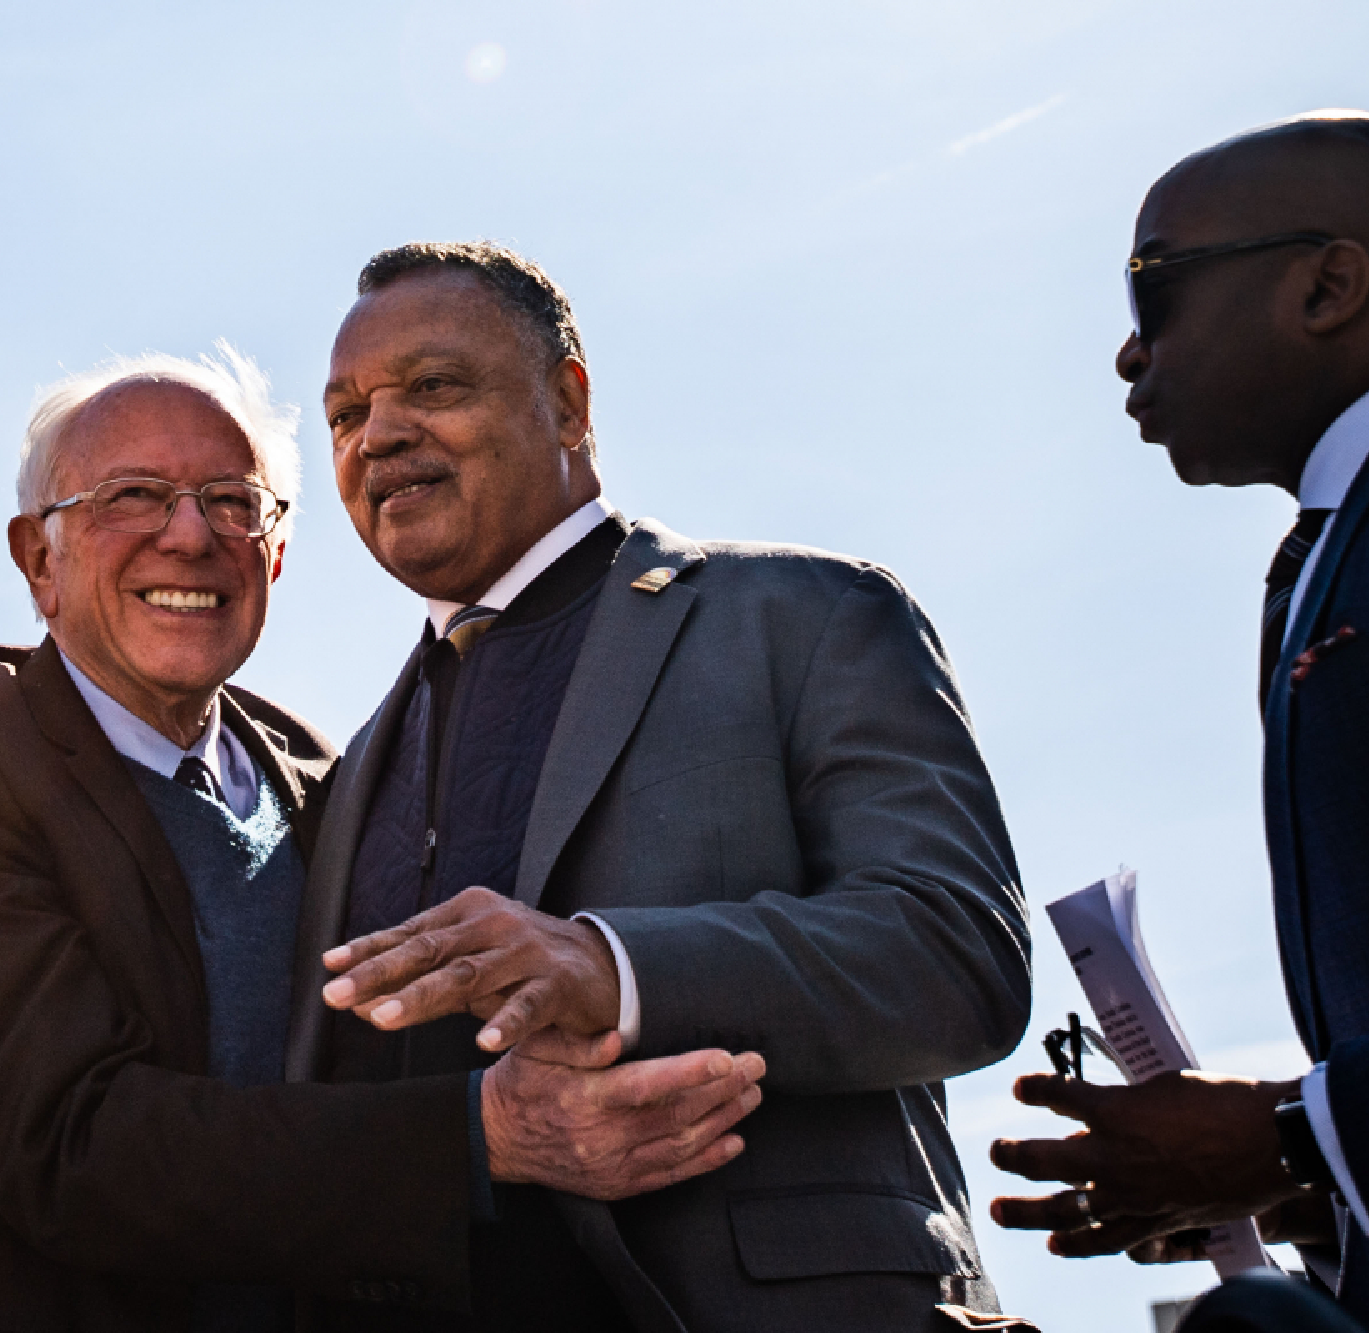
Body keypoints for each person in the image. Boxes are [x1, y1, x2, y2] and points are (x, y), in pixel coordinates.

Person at [0, 348, 762, 1332]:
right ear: (40, 559)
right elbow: (68, 1142)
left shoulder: (326, 776)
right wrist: (480, 1132)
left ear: (275, 553)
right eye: (131, 495)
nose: (189, 534)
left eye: (232, 500)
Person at [304, 241, 1033, 1331]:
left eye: (434, 386)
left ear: (566, 401)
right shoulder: (344, 769)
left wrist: (613, 966)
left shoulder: (808, 614)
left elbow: (956, 953)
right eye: (345, 413)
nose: (381, 433)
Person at [987, 112, 1369, 1330]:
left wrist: (1290, 1133)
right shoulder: (1356, 534)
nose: (1128, 356)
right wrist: (1285, 1179)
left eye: (1152, 291)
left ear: (1326, 284)